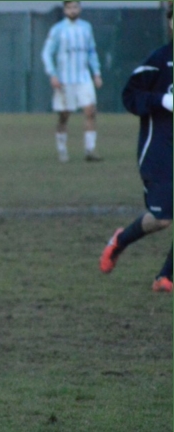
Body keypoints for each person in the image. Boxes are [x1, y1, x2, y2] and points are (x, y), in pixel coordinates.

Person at [100, 7, 172, 293]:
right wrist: (162, 100)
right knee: (162, 219)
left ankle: (165, 277)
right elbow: (130, 95)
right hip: (161, 150)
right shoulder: (159, 60)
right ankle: (120, 240)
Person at [41, 1, 103, 163]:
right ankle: (62, 150)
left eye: (75, 7)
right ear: (65, 10)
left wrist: (96, 73)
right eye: (69, 7)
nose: (72, 10)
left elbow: (91, 51)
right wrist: (52, 74)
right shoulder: (58, 29)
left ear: (79, 9)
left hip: (83, 77)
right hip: (65, 79)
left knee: (90, 111)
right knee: (64, 115)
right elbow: (47, 53)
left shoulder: (86, 27)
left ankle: (90, 150)